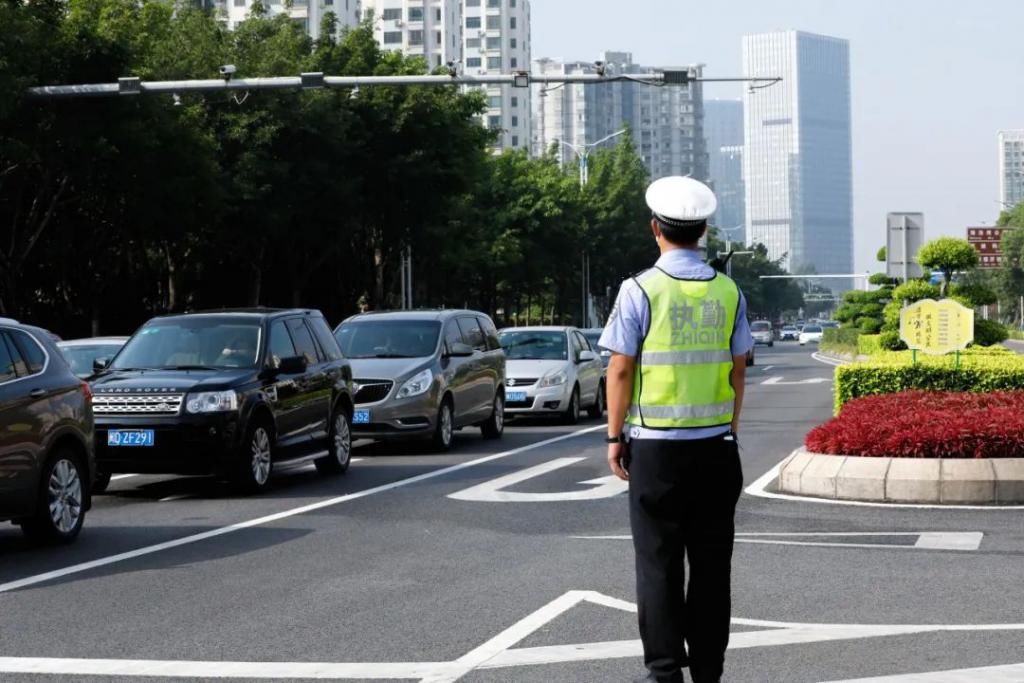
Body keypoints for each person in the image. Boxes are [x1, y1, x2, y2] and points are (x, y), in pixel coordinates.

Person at [598, 176, 753, 683]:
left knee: (659, 567)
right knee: (712, 570)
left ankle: (664, 674)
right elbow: (737, 368)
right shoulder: (729, 291)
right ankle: (709, 673)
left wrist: (614, 437)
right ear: (704, 230)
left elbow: (620, 368)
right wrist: (728, 425)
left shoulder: (639, 289)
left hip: (656, 452)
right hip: (715, 449)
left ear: (655, 229)